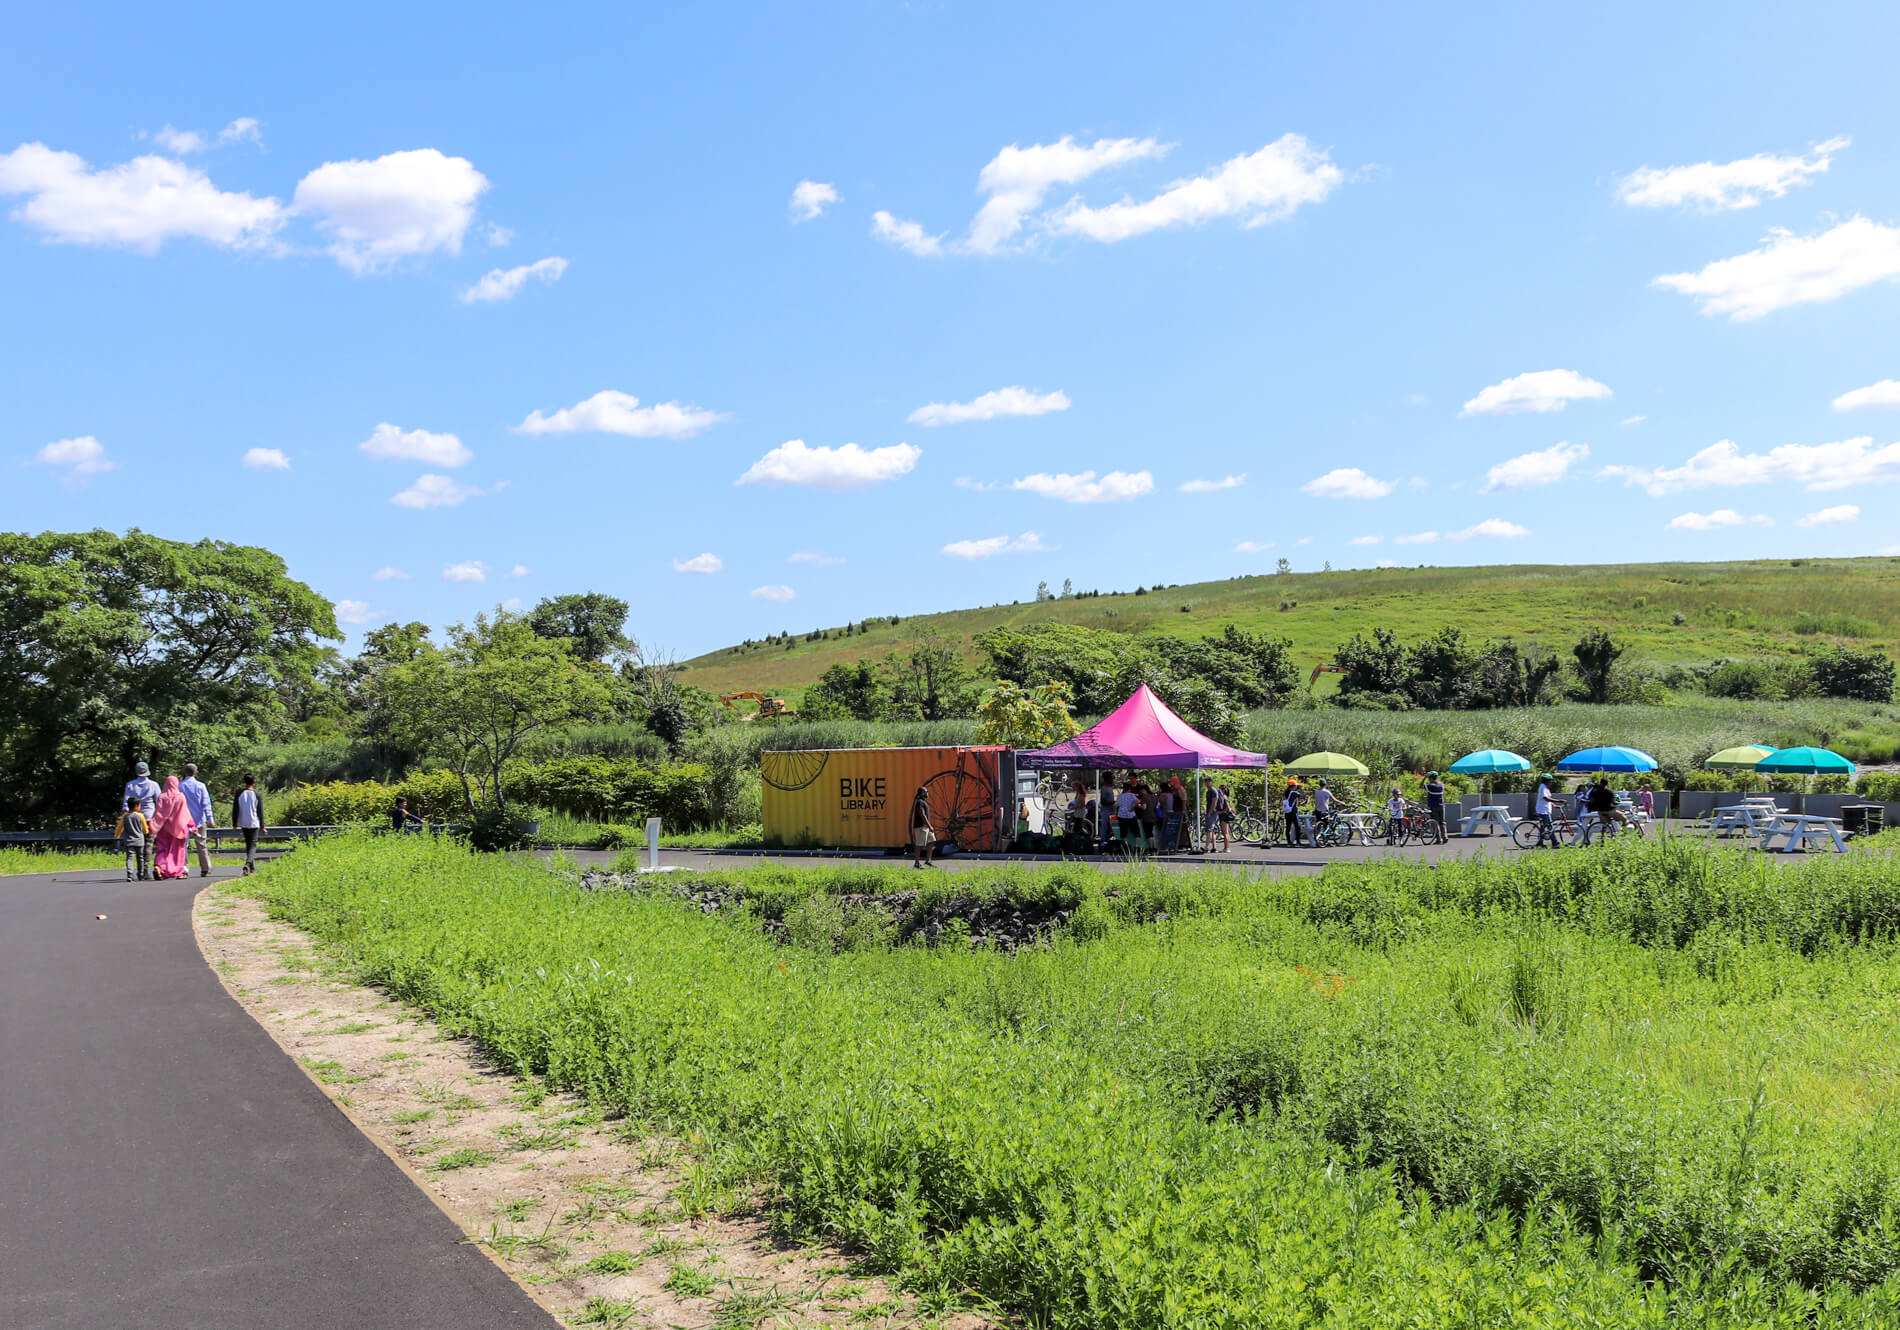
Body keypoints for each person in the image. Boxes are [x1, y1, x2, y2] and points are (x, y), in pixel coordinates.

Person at [148, 776, 197, 880]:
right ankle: (178, 872)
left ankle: (159, 867)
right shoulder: (181, 796)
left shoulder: (162, 797)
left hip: (164, 828)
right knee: (178, 851)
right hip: (179, 827)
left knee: (163, 849)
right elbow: (185, 813)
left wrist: (153, 825)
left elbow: (159, 813)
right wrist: (192, 826)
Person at [178, 762, 215, 878]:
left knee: (183, 845)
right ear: (196, 772)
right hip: (199, 819)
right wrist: (210, 819)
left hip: (184, 820)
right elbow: (206, 803)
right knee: (202, 844)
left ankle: (184, 869)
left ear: (185, 772)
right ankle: (205, 868)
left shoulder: (180, 786)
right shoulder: (201, 786)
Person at [231, 775, 265, 874]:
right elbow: (260, 812)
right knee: (253, 845)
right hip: (254, 822)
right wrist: (263, 826)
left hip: (243, 822)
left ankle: (251, 868)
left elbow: (235, 810)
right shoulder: (257, 794)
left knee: (248, 844)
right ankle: (248, 863)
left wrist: (234, 824)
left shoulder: (239, 793)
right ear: (254, 782)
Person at [116, 796, 151, 882]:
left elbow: (119, 827)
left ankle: (130, 874)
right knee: (140, 858)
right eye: (139, 805)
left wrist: (117, 835)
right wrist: (146, 832)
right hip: (139, 840)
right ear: (136, 806)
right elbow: (145, 829)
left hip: (129, 841)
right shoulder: (141, 816)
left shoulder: (125, 816)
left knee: (130, 857)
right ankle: (141, 874)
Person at [910, 784, 935, 868]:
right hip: (921, 826)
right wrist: (929, 825)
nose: (927, 793)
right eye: (926, 791)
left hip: (926, 827)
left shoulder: (924, 801)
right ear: (921, 793)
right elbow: (922, 814)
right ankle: (917, 863)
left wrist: (929, 826)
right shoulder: (919, 802)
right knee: (919, 845)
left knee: (932, 841)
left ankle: (928, 860)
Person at [1207, 782, 1233, 852]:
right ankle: (1227, 847)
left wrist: (1221, 812)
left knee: (1225, 832)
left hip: (1224, 816)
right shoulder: (1226, 797)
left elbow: (1227, 807)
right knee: (1226, 832)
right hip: (1226, 816)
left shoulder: (1223, 797)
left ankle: (1226, 848)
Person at [1532, 773, 1557, 848]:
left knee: (1543, 827)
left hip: (1545, 810)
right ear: (1547, 781)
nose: (1551, 782)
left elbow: (1547, 799)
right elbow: (1546, 798)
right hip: (1543, 811)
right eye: (1550, 781)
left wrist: (1553, 804)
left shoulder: (1545, 788)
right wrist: (1559, 800)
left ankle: (1540, 842)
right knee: (1550, 827)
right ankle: (1554, 842)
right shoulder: (1543, 787)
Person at [1424, 771, 1448, 843]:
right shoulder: (1441, 785)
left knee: (1435, 822)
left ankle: (1438, 839)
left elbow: (1421, 786)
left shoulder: (1431, 786)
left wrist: (1424, 778)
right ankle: (1445, 836)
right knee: (1442, 822)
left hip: (1434, 806)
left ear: (1430, 778)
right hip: (1442, 805)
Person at [1282, 778, 1305, 846]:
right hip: (1293, 812)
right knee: (1297, 827)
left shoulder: (1286, 792)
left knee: (1288, 827)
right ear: (1293, 786)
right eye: (1296, 786)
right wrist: (1301, 789)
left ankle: (1289, 842)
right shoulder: (1294, 793)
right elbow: (1302, 795)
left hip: (1287, 812)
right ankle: (1298, 842)